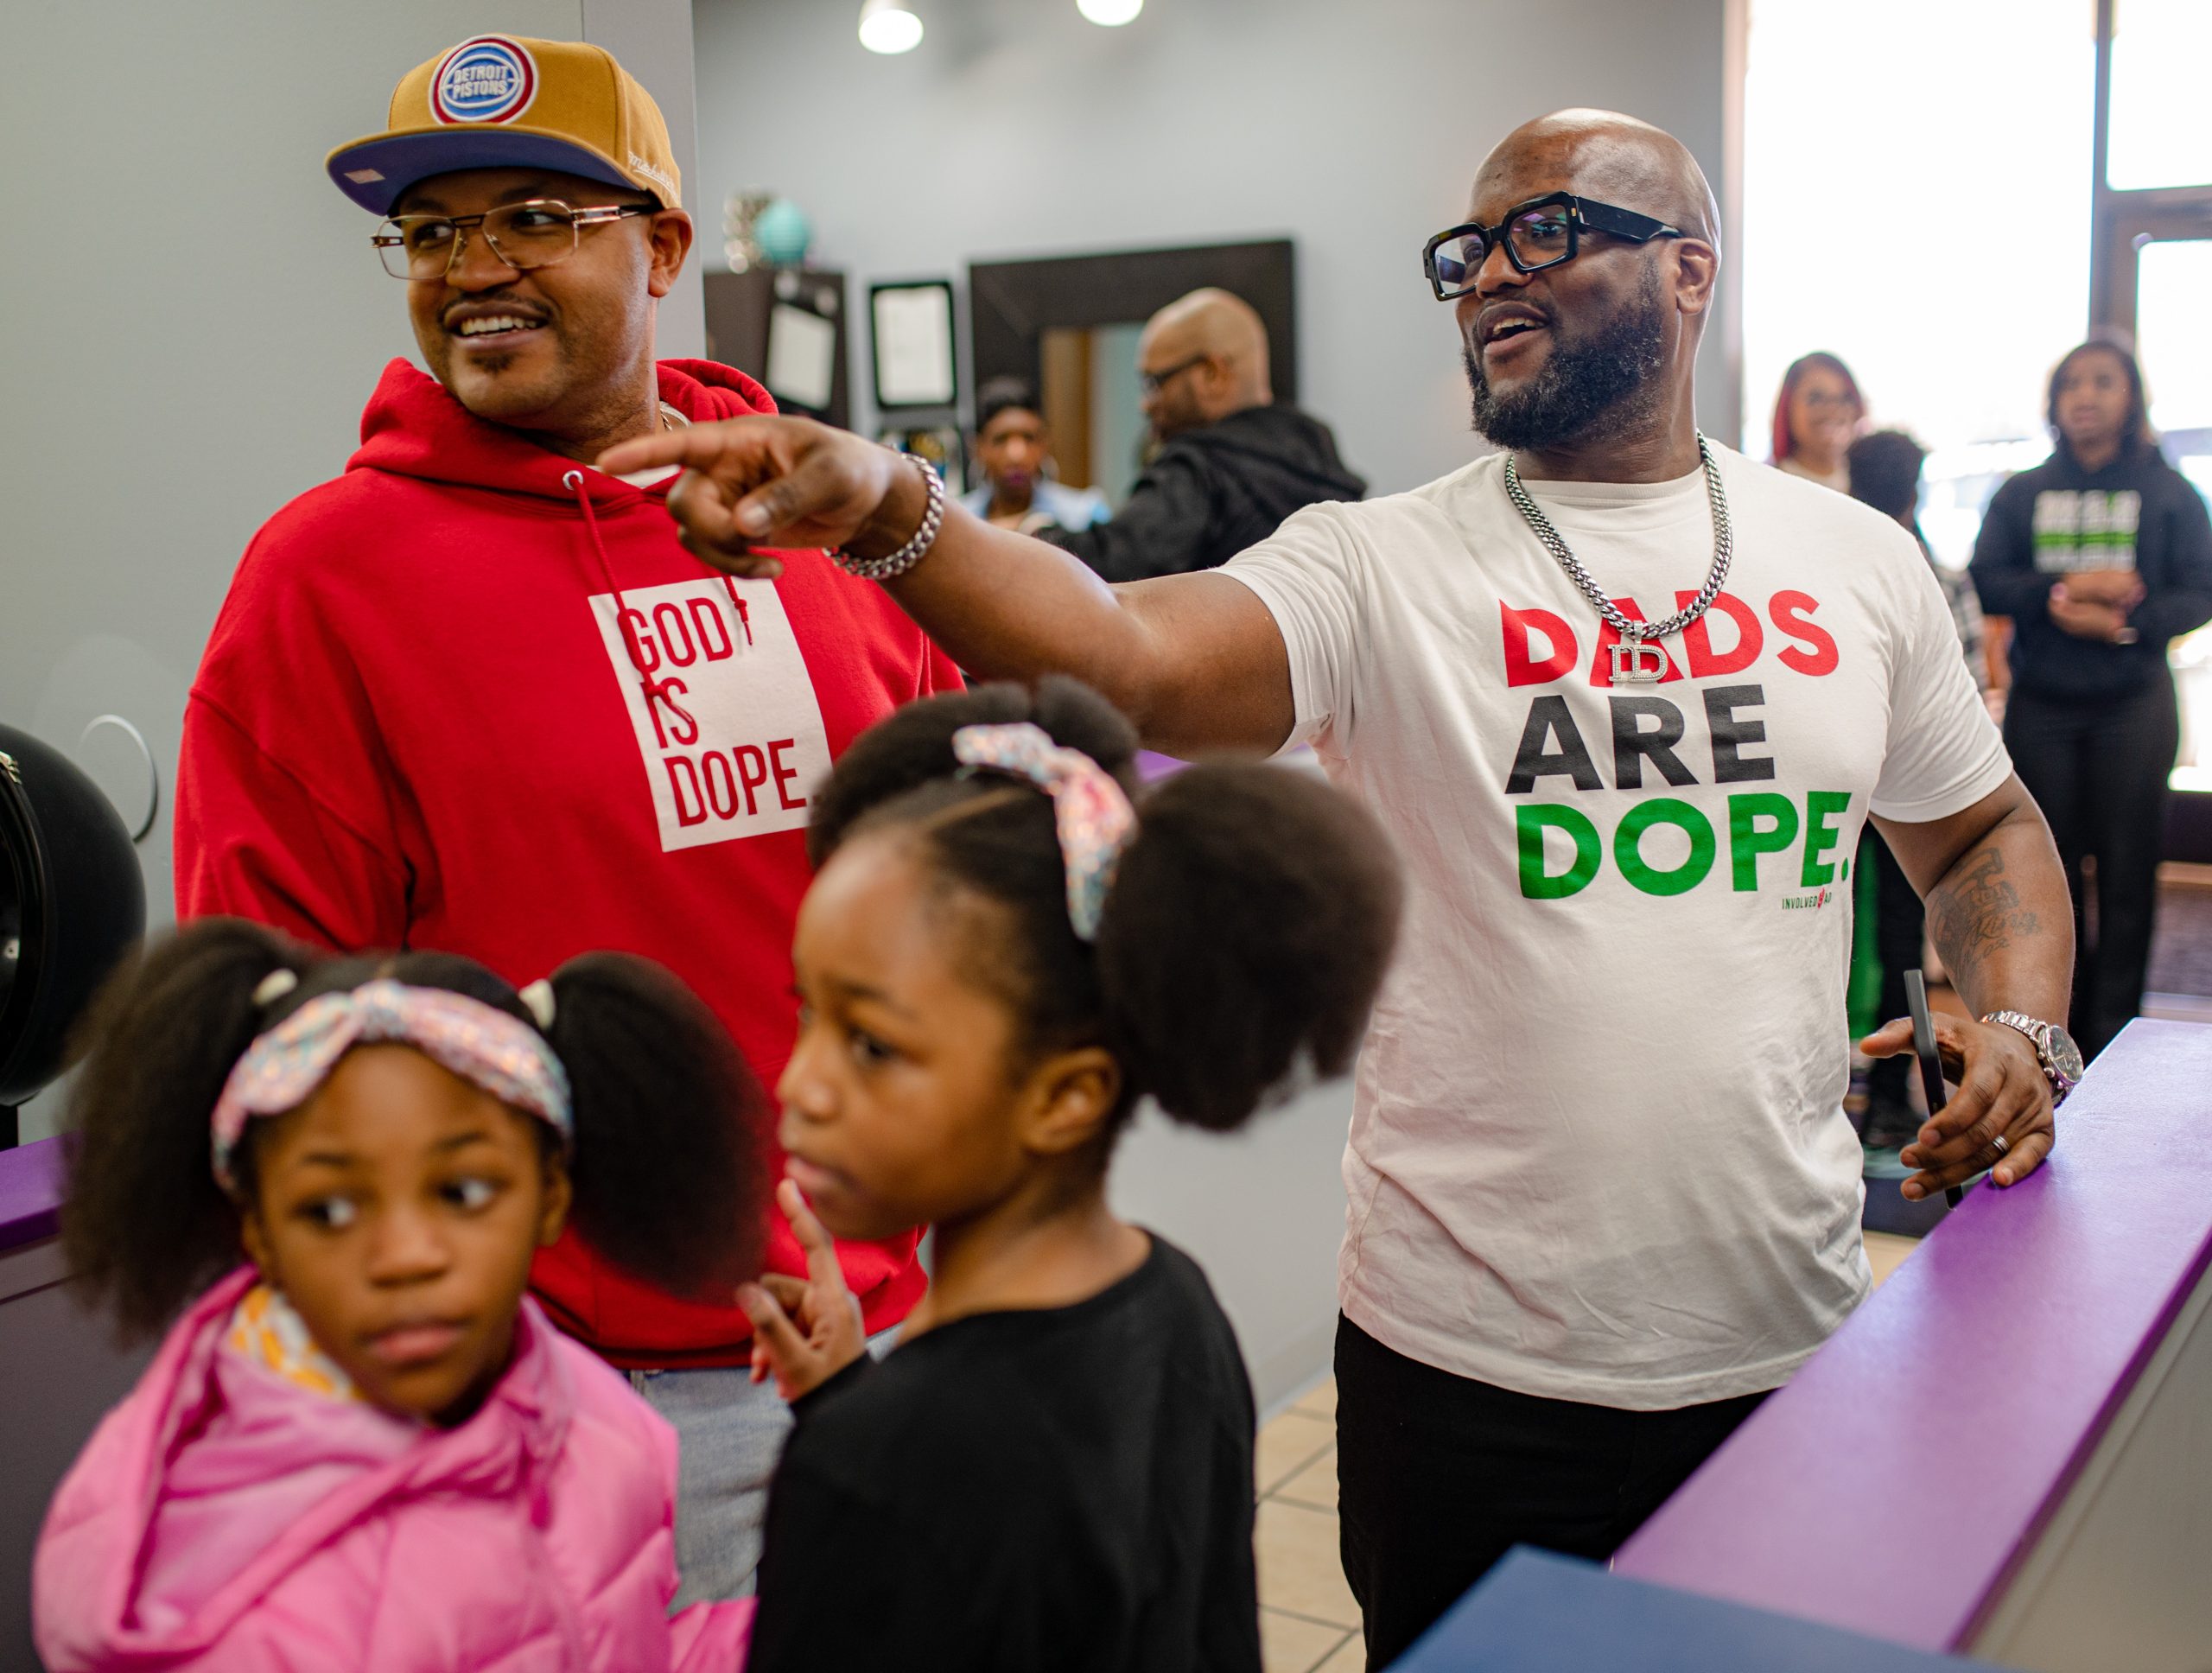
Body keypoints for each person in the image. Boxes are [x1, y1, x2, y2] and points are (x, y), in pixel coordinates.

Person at [614, 106, 2081, 1670]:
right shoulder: (1376, 567)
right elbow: (1121, 650)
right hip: (1465, 1370)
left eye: (1547, 231)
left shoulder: (1855, 562)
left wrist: (2017, 1022)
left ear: (1689, 271)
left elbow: (1981, 833)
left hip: (1786, 1341)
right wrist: (896, 510)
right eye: (1468, 252)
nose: (1489, 276)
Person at [173, 35, 963, 1600]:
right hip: (564, 1401)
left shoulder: (822, 529)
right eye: (433, 231)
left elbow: (962, 905)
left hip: (889, 1338)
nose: (476, 270)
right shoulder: (323, 583)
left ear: (662, 247)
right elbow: (280, 1035)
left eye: (536, 218)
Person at [729, 677, 1402, 1671]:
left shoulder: (869, 1468)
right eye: (808, 1013)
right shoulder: (1175, 1306)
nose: (799, 1083)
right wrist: (843, 1397)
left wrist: (856, 1428)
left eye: (870, 1043)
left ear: (1065, 1094)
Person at [34, 919, 767, 1671]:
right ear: (256, 1230)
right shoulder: (242, 1618)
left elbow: (626, 1642)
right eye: (330, 1210)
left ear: (551, 1195)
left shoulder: (598, 1422)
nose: (405, 1258)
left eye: (463, 1191)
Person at [1971, 339, 2212, 1057]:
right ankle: (2058, 1034)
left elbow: (2201, 589)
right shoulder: (2022, 491)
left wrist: (2129, 622)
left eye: (2103, 382)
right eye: (2072, 383)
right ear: (2054, 402)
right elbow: (1987, 579)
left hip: (2133, 706)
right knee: (2049, 873)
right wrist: (2062, 593)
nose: (2086, 396)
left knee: (2130, 871)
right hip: (2044, 707)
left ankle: (2118, 1039)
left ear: (2130, 397)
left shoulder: (2168, 492)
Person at [1845, 429, 1993, 1148]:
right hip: (1898, 779)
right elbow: (1972, 689)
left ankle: (1865, 1087)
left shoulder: (1837, 566)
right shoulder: (1931, 574)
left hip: (1865, 777)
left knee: (1846, 933)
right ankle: (1887, 1095)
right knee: (1897, 941)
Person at [1030, 288, 1365, 579]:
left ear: (1212, 374)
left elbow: (1107, 565)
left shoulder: (1199, 468)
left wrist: (1033, 534)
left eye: (1154, 383)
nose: (1145, 405)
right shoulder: (1320, 455)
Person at [960, 376, 1110, 532]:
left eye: (1029, 438)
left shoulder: (1084, 516)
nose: (1017, 455)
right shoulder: (957, 523)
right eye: (1001, 440)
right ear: (977, 448)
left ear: (1044, 444)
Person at [1770, 351, 1865, 492]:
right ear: (1788, 407)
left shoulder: (1871, 487)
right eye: (1816, 399)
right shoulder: (1766, 486)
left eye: (1845, 399)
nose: (1834, 411)